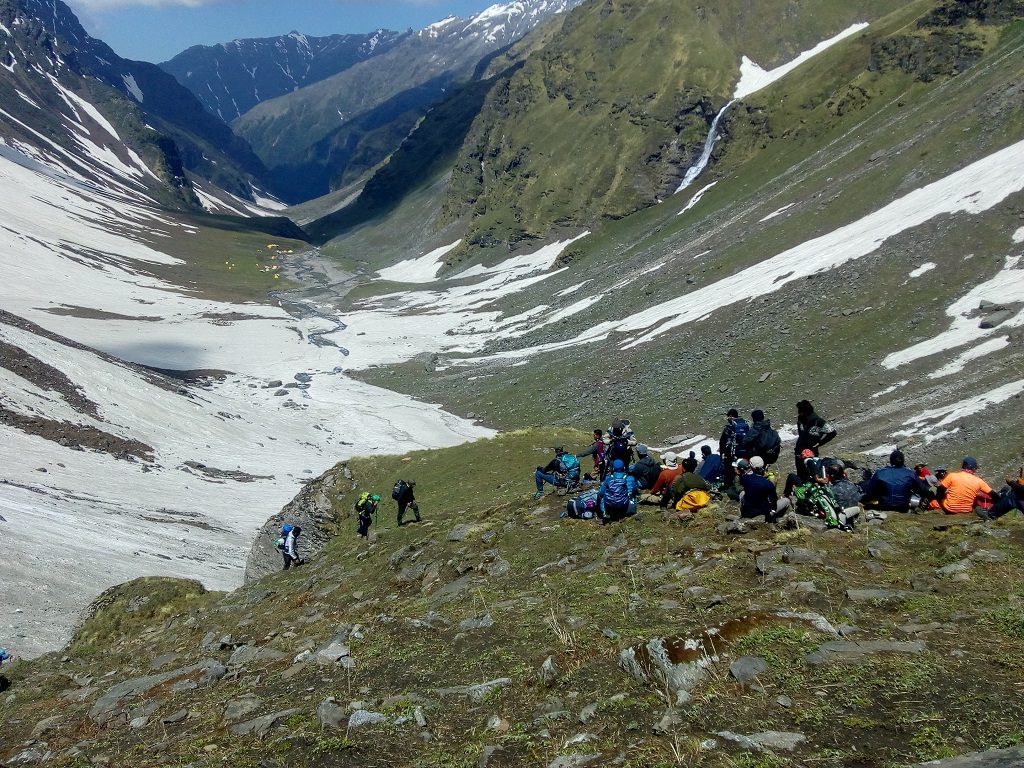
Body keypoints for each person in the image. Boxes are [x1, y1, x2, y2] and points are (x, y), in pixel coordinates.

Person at [861, 450, 926, 513]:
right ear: (903, 461)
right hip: (903, 507)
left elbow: (869, 491)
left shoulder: (880, 473)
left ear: (891, 461)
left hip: (884, 506)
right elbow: (922, 488)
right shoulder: (910, 473)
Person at [795, 400, 837, 481]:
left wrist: (820, 443)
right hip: (799, 450)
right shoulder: (801, 419)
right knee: (800, 472)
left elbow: (832, 432)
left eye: (800, 411)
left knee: (812, 471)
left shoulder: (819, 422)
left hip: (811, 451)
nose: (799, 413)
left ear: (805, 411)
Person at [739, 456, 790, 522]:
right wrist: (774, 485)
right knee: (787, 500)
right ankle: (775, 519)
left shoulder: (745, 478)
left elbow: (754, 483)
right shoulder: (768, 484)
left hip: (748, 511)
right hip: (763, 513)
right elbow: (773, 501)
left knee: (742, 493)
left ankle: (742, 514)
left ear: (751, 467)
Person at [599, 459, 638, 523]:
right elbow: (635, 490)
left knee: (601, 497)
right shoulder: (629, 478)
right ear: (624, 467)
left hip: (609, 506)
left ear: (613, 468)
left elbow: (601, 493)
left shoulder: (608, 479)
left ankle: (604, 513)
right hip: (624, 505)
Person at [720, 409, 750, 486]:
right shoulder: (746, 424)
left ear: (730, 416)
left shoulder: (730, 427)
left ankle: (732, 484)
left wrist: (723, 452)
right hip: (747, 452)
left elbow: (723, 442)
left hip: (734, 453)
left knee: (733, 468)